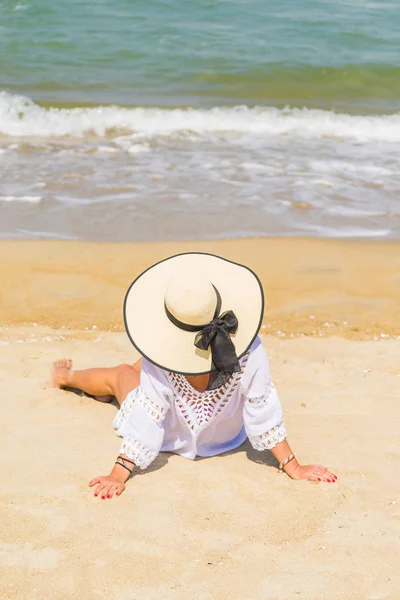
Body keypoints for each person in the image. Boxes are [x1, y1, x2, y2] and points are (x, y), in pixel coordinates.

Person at [52, 252, 337, 500]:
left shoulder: (181, 353)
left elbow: (261, 409)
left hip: (172, 433)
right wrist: (119, 472)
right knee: (133, 372)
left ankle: (68, 375)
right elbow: (259, 405)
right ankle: (67, 378)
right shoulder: (250, 347)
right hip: (208, 432)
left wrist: (295, 468)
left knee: (122, 374)